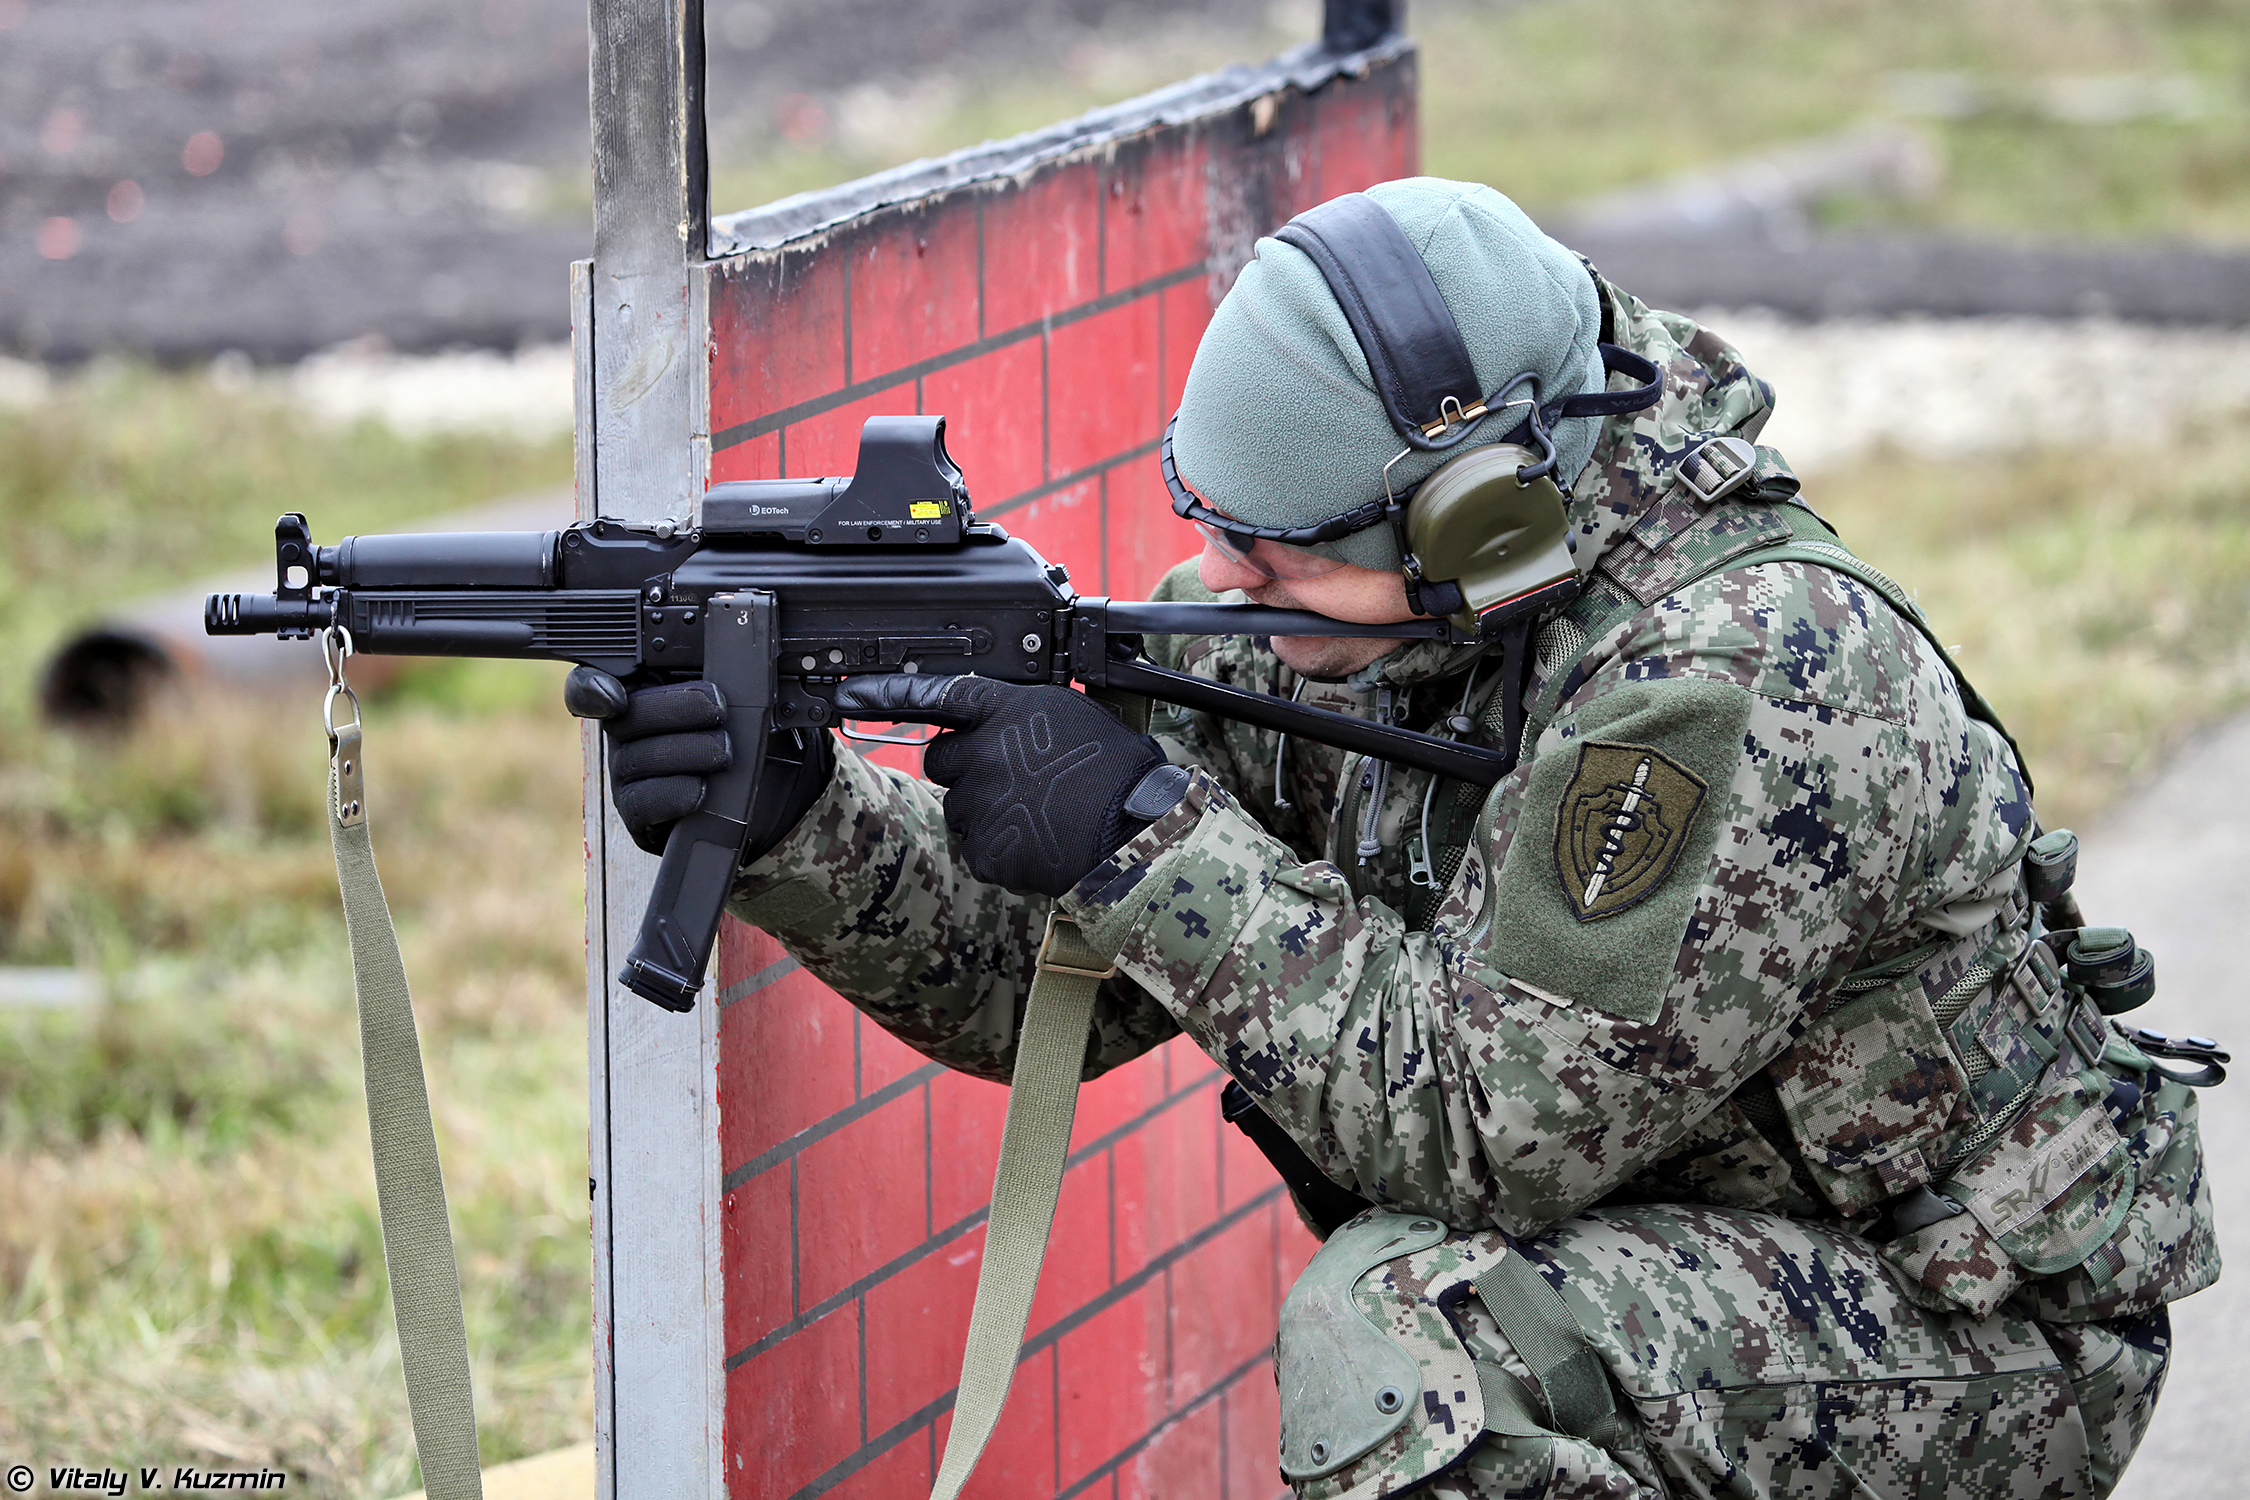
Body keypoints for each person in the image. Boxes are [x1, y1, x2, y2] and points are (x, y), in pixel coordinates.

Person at [569, 178, 2218, 1498]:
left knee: (1415, 1336)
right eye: (1213, 525)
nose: (1225, 581)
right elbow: (1040, 987)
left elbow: (1483, 1133)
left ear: (1475, 522)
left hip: (1961, 1330)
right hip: (1699, 1253)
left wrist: (1146, 836)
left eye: (1277, 552)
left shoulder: (1739, 675)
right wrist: (804, 821)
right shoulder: (1359, 621)